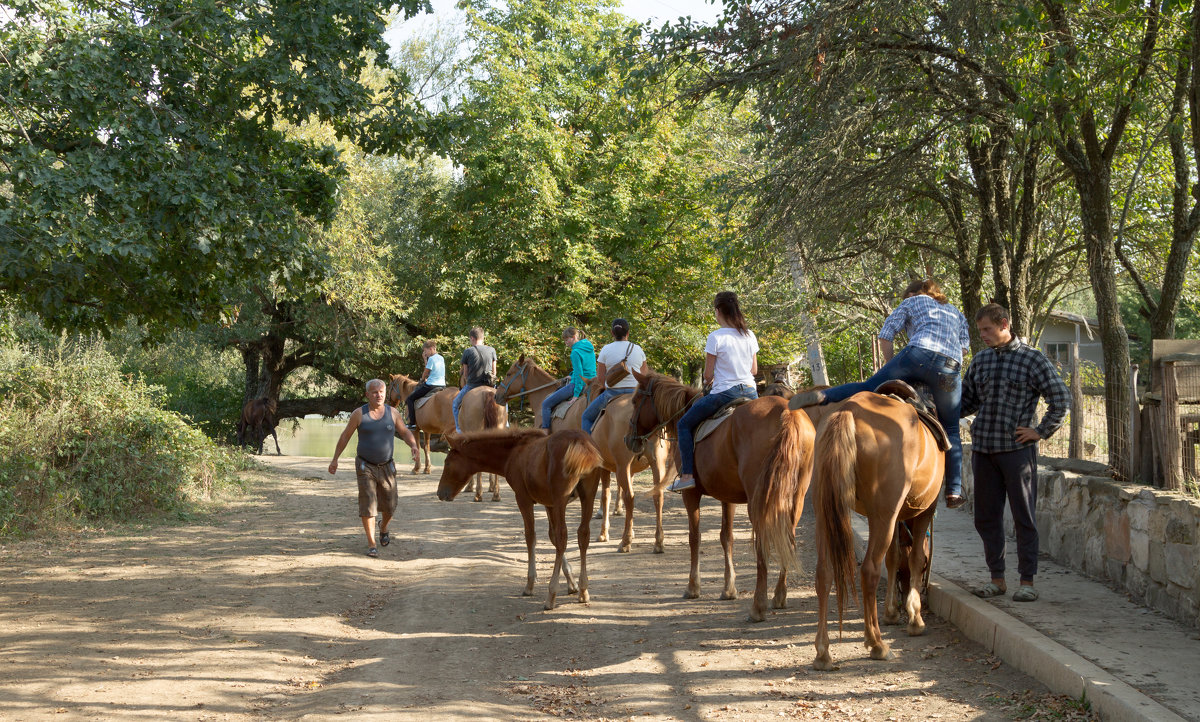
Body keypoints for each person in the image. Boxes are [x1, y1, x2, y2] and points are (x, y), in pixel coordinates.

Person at [790, 278, 971, 508]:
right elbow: (964, 346)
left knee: (867, 386)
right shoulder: (956, 312)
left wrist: (891, 368)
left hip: (917, 355)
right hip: (949, 367)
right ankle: (954, 491)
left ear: (915, 293)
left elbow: (886, 334)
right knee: (952, 428)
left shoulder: (912, 301)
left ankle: (820, 397)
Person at [960, 303, 1069, 603]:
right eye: (980, 329)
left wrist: (1040, 431)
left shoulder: (1032, 359)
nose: (982, 335)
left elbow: (1060, 398)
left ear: (1004, 324)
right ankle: (997, 579)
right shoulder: (980, 361)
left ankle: (1027, 581)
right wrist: (935, 405)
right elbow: (966, 401)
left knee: (1024, 518)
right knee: (985, 518)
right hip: (983, 450)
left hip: (1017, 452)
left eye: (987, 329)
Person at [669, 291, 759, 492]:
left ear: (718, 311)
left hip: (725, 394)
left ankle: (687, 475)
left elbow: (708, 375)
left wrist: (707, 380)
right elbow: (754, 370)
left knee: (683, 424)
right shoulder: (749, 334)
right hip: (751, 393)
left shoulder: (715, 337)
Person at [329, 379, 421, 557]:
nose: (378, 395)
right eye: (374, 392)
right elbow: (345, 436)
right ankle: (372, 544)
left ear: (385, 393)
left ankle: (383, 527)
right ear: (367, 395)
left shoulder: (392, 413)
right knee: (368, 504)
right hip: (365, 465)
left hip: (387, 466)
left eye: (381, 392)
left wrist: (413, 446)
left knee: (390, 505)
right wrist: (335, 460)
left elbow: (404, 431)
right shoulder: (359, 414)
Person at [581, 318, 649, 434]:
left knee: (586, 417)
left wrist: (608, 386)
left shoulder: (606, 349)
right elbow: (645, 375)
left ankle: (589, 449)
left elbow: (601, 378)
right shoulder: (638, 349)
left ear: (612, 333)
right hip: (634, 393)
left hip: (613, 393)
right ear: (628, 333)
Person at [540, 327, 596, 429]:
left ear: (574, 337)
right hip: (591, 382)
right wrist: (571, 375)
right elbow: (587, 368)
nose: (566, 343)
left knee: (546, 404)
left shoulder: (575, 352)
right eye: (564, 340)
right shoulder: (589, 346)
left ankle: (545, 432)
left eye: (567, 340)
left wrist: (576, 394)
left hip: (578, 384)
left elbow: (580, 375)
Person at [453, 326, 497, 432]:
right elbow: (494, 372)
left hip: (473, 385)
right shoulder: (492, 350)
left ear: (472, 338)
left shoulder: (468, 352)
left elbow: (465, 375)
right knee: (503, 401)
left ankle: (459, 430)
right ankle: (507, 424)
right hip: (490, 385)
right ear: (482, 337)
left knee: (455, 404)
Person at [404, 340, 446, 430]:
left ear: (431, 349)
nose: (425, 353)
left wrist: (422, 379)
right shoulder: (441, 358)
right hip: (442, 385)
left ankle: (412, 423)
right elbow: (432, 368)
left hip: (431, 385)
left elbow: (426, 372)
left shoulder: (432, 358)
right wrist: (425, 359)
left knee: (410, 399)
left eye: (425, 351)